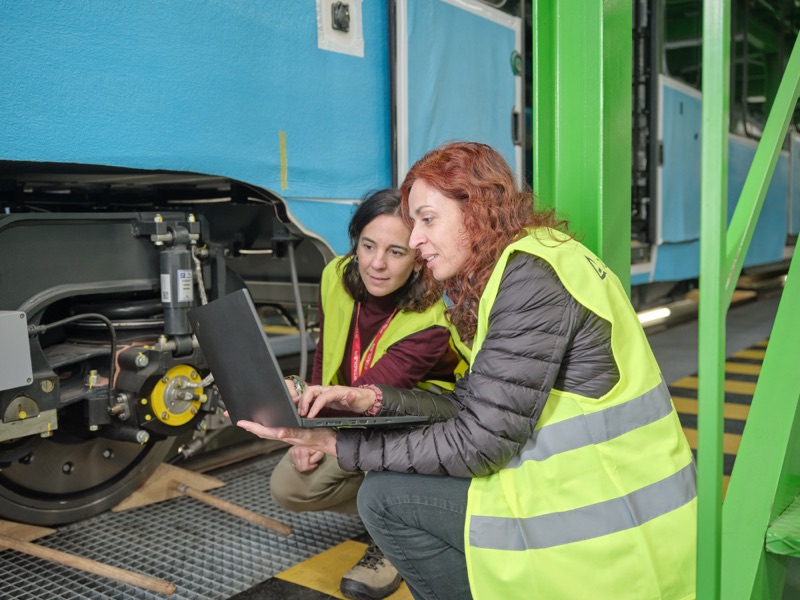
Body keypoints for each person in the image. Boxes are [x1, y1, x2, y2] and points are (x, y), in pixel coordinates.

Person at [240, 142, 697, 600]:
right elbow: (475, 406)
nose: (415, 241)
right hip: (596, 490)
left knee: (385, 499)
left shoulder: (530, 278)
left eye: (427, 219)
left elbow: (479, 443)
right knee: (386, 491)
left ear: (476, 208)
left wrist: (342, 445)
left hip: (603, 515)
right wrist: (371, 400)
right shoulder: (528, 262)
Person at [271, 188, 466, 600]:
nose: (377, 264)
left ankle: (401, 524)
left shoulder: (432, 318)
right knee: (291, 486)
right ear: (355, 243)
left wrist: (316, 433)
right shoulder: (336, 277)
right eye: (368, 246)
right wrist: (304, 424)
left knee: (376, 467)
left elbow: (373, 398)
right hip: (355, 412)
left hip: (417, 423)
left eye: (396, 252)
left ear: (417, 257)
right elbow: (327, 358)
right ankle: (393, 509)